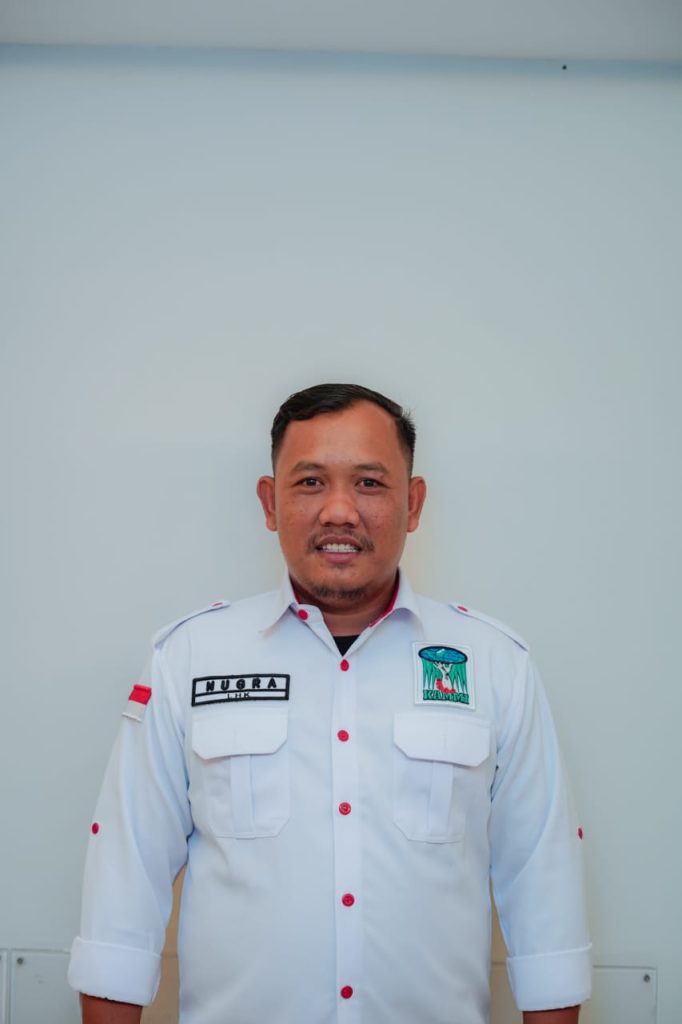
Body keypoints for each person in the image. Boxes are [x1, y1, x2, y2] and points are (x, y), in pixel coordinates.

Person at [69, 383, 591, 1024]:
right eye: (310, 482)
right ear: (270, 502)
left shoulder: (494, 664)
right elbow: (123, 891)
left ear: (414, 503)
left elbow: (544, 891)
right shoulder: (189, 659)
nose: (339, 511)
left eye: (369, 483)